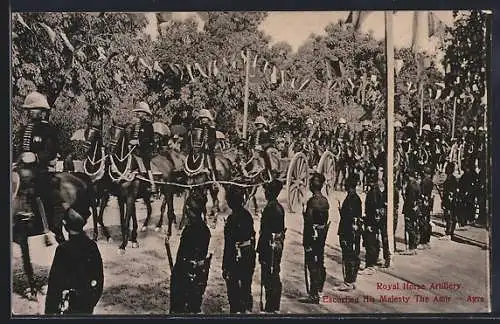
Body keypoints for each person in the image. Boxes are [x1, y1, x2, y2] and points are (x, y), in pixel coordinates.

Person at [14, 91, 65, 244]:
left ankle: (46, 228)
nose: (31, 111)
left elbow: (51, 151)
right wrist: (15, 160)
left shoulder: (48, 129)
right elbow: (18, 150)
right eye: (29, 109)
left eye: (35, 109)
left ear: (43, 112)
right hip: (22, 167)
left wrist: (35, 157)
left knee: (38, 188)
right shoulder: (23, 129)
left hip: (40, 168)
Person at [44, 208, 104, 315]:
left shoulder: (63, 249)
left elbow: (55, 284)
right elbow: (99, 278)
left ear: (65, 225)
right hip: (86, 305)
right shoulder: (92, 246)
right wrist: (91, 302)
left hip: (69, 306)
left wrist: (50, 311)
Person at [170, 188, 212, 314]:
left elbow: (181, 257)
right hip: (199, 276)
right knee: (194, 307)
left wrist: (176, 275)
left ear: (189, 211)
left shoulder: (188, 231)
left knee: (178, 308)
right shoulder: (206, 230)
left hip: (185, 275)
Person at [223, 186, 256, 314]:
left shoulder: (232, 219)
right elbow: (253, 235)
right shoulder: (248, 215)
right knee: (246, 284)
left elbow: (229, 245)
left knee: (233, 287)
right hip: (248, 253)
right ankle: (247, 308)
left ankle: (236, 311)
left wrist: (225, 266)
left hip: (236, 256)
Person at [257, 179, 286, 313]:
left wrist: (260, 250)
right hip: (276, 244)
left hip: (269, 246)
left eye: (267, 191)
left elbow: (265, 232)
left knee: (269, 275)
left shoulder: (270, 208)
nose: (265, 193)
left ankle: (271, 306)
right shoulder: (278, 207)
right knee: (274, 273)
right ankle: (274, 305)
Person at [300, 173, 330, 303]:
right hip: (321, 235)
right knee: (320, 262)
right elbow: (325, 219)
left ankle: (313, 294)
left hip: (312, 237)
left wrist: (304, 213)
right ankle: (319, 289)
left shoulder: (311, 202)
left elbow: (309, 222)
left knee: (312, 264)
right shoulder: (325, 201)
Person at [336, 172, 362, 292]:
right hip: (354, 231)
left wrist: (341, 211)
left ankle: (348, 281)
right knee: (353, 255)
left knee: (348, 256)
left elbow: (348, 217)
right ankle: (352, 280)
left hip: (347, 231)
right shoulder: (356, 198)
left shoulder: (351, 199)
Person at [130, 101, 156, 192]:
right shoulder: (134, 124)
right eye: (137, 111)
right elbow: (131, 135)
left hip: (145, 149)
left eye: (140, 111)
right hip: (133, 149)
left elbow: (149, 139)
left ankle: (151, 183)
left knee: (146, 163)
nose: (138, 113)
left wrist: (138, 141)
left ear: (145, 113)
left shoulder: (148, 125)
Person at [187, 109, 218, 180]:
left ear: (208, 119)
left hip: (207, 151)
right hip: (197, 149)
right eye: (202, 118)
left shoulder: (212, 129)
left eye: (205, 118)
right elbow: (193, 138)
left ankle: (214, 179)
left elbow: (213, 139)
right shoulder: (196, 128)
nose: (203, 120)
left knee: (211, 162)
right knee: (189, 157)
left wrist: (208, 145)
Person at [402, 169, 421, 255]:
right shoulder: (417, 184)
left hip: (410, 210)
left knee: (409, 227)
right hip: (415, 209)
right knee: (414, 226)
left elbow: (410, 200)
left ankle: (411, 247)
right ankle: (414, 246)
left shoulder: (411, 186)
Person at [440, 162, 459, 240]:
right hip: (451, 200)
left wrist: (445, 203)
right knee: (450, 216)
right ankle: (450, 232)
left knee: (449, 216)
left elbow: (449, 193)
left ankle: (449, 233)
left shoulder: (450, 179)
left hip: (449, 201)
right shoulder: (452, 178)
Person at [419, 166, 433, 249]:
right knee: (427, 221)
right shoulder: (430, 181)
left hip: (424, 203)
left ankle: (423, 241)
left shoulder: (424, 182)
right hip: (428, 203)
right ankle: (427, 240)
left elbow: (422, 193)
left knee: (422, 223)